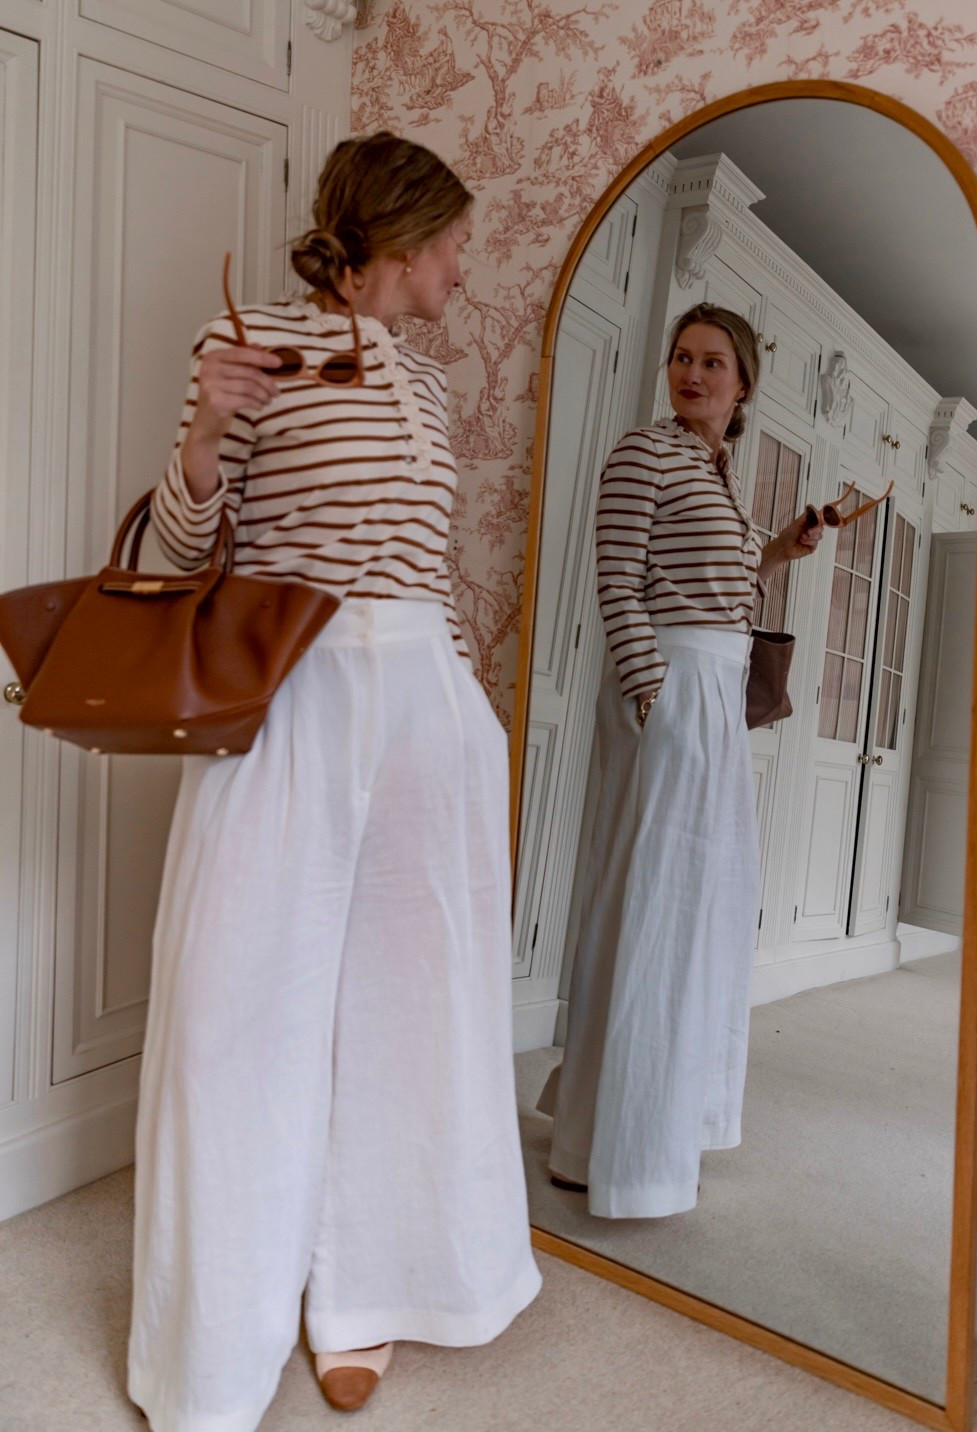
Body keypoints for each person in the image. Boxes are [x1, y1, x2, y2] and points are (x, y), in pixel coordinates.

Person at [128, 132, 541, 1430]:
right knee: (242, 1005)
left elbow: (426, 561)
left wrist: (471, 711)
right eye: (457, 242)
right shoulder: (250, 339)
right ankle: (218, 1335)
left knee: (409, 1007)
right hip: (295, 689)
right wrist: (208, 428)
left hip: (426, 704)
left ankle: (363, 1291)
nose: (465, 267)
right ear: (404, 237)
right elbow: (184, 550)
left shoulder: (425, 381)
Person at [538, 304, 823, 1218]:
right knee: (652, 901)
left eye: (712, 363)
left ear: (742, 386)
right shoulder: (643, 453)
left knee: (693, 906)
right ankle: (612, 1145)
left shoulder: (719, 471)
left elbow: (722, 588)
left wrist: (776, 552)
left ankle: (629, 1120)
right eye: (682, 358)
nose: (692, 375)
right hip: (670, 690)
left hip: (713, 694)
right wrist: (651, 696)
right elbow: (617, 579)